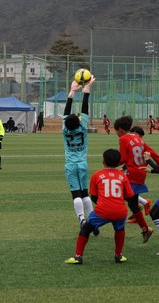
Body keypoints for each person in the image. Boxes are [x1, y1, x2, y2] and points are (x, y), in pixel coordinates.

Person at [64, 149, 138, 265]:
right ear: (118, 162)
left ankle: (78, 257)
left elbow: (93, 196)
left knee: (86, 229)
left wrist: (104, 204)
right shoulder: (123, 176)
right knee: (119, 229)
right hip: (120, 211)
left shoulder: (97, 175)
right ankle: (118, 255)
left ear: (103, 162)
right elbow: (130, 196)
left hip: (102, 210)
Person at [114, 116, 159, 243]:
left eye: (116, 131)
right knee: (132, 203)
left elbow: (123, 158)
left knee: (117, 197)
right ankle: (145, 229)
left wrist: (110, 164)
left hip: (131, 174)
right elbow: (151, 152)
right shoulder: (137, 138)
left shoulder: (123, 138)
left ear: (120, 130)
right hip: (141, 172)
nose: (116, 133)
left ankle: (118, 227)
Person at [62, 76, 95, 230]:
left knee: (76, 194)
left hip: (70, 165)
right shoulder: (82, 127)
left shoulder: (64, 129)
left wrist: (72, 92)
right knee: (85, 192)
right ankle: (93, 220)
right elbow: (84, 109)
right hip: (82, 164)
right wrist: (86, 91)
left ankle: (82, 220)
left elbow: (66, 113)